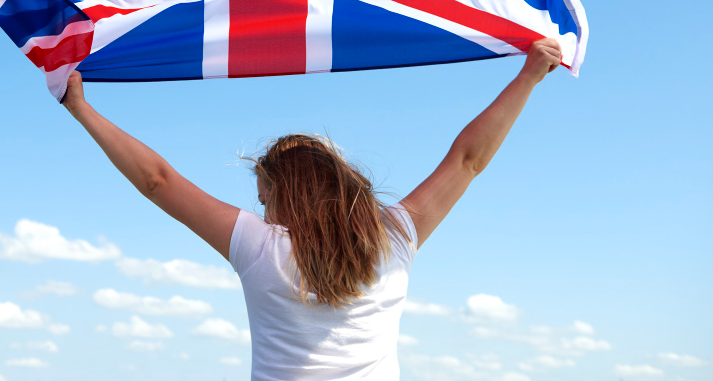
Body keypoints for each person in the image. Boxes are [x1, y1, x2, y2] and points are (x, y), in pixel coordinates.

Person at [62, 38, 564, 380]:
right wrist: (527, 77)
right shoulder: (393, 237)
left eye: (264, 194)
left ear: (287, 190)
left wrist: (81, 107)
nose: (260, 205)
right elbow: (467, 160)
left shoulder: (259, 247)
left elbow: (157, 181)